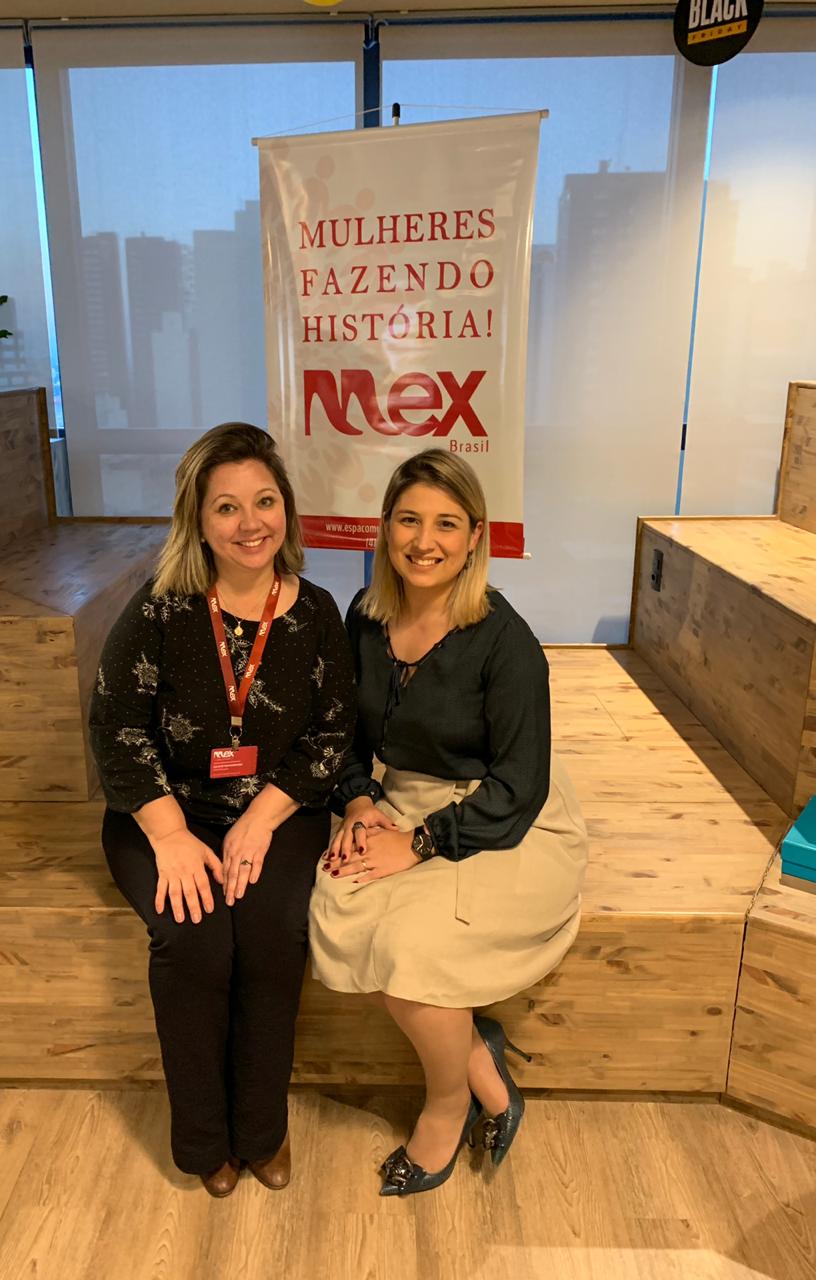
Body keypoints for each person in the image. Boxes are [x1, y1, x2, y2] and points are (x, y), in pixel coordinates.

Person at [309, 448, 588, 1198]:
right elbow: (342, 733)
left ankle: (448, 1101)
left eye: (446, 524)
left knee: (410, 949)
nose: (424, 541)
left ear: (474, 537)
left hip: (501, 816)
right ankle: (476, 1051)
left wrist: (420, 844)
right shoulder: (364, 616)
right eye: (408, 520)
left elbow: (520, 785)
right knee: (338, 902)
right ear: (385, 528)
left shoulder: (507, 641)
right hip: (400, 799)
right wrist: (358, 802)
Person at [90, 423, 355, 1198]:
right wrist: (170, 834)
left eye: (264, 502)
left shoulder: (317, 614)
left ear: (287, 509)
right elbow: (115, 728)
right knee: (194, 940)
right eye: (227, 507)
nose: (250, 524)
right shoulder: (161, 608)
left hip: (279, 808)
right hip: (162, 812)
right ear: (198, 521)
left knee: (272, 938)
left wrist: (261, 819)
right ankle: (205, 1142)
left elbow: (332, 735)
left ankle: (261, 1132)